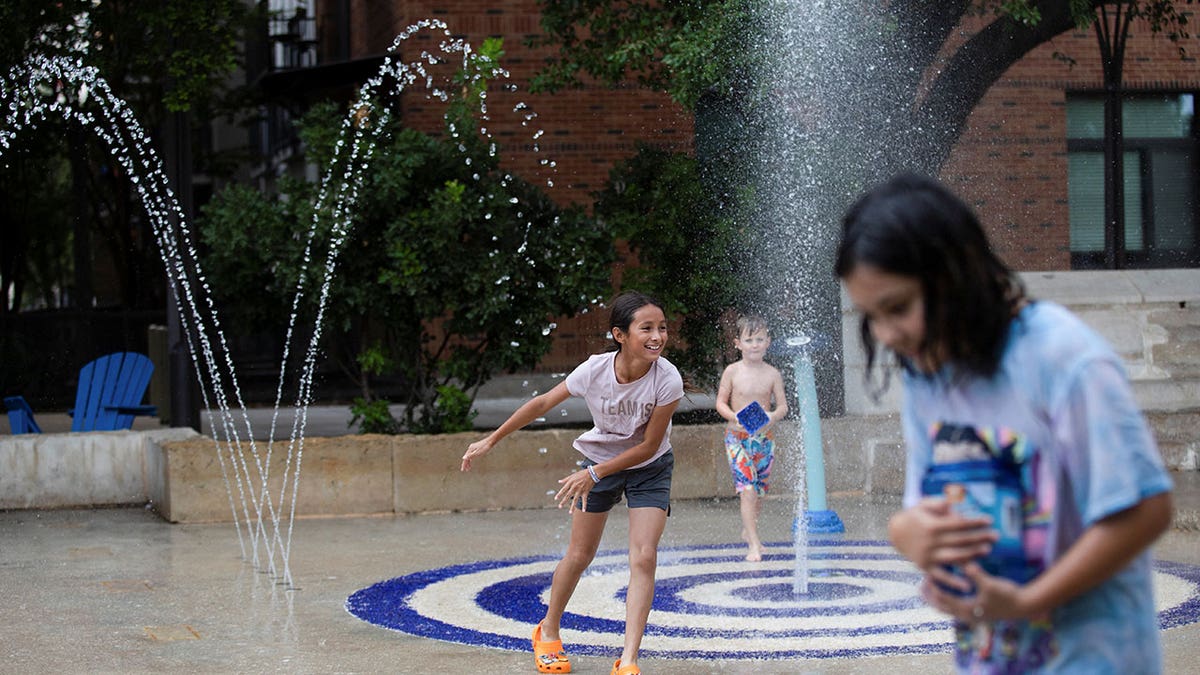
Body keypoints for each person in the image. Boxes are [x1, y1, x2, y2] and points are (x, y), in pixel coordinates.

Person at [834, 172, 1174, 673]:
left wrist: (1028, 600)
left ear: (955, 273)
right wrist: (906, 533)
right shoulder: (930, 375)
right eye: (871, 317)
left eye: (898, 308)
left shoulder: (1064, 358)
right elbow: (920, 516)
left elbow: (1147, 509)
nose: (887, 335)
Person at [461, 291, 684, 675]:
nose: (657, 336)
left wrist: (595, 473)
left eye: (662, 328)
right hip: (596, 463)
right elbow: (542, 403)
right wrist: (491, 439)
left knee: (644, 556)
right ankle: (548, 631)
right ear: (620, 334)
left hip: (648, 466)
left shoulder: (667, 378)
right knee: (580, 555)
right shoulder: (595, 370)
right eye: (646, 328)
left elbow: (648, 445)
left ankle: (628, 660)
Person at [715, 314, 788, 561]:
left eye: (760, 339)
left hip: (764, 439)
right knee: (747, 489)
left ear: (768, 342)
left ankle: (749, 530)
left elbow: (783, 407)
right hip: (737, 437)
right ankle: (754, 544)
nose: (754, 344)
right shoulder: (732, 371)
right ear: (738, 343)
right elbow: (720, 403)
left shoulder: (772, 374)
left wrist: (771, 416)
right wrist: (735, 417)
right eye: (749, 340)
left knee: (758, 492)